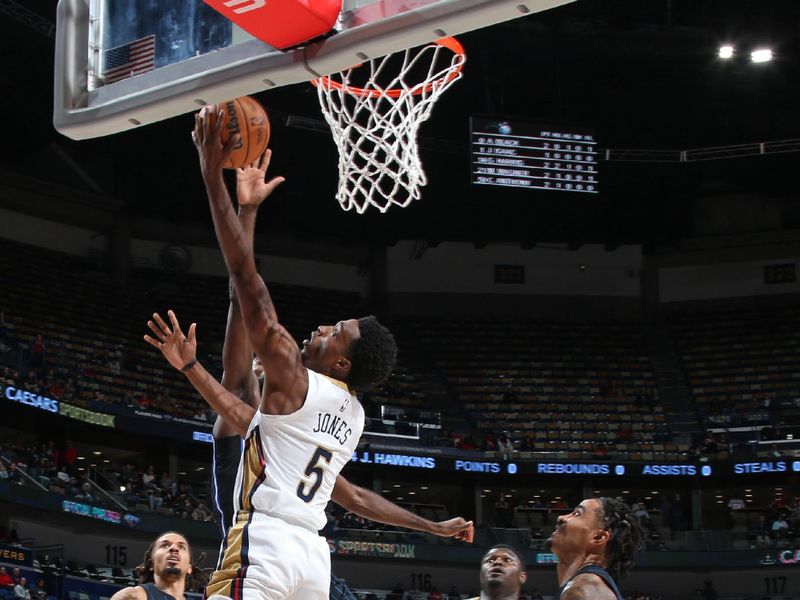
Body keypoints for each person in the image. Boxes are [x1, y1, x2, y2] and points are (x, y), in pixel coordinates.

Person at [147, 108, 468, 599]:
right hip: (313, 556)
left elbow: (244, 279)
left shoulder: (293, 378)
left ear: (341, 362)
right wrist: (430, 526)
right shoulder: (354, 415)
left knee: (237, 372)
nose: (320, 328)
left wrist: (211, 173)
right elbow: (352, 494)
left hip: (266, 539)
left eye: (334, 332)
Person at [548, 498, 644, 600]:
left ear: (598, 537)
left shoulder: (584, 591)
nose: (561, 517)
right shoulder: (583, 586)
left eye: (577, 514)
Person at [109, 531, 207, 600]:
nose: (174, 548)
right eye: (165, 545)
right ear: (152, 564)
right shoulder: (133, 596)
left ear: (189, 568)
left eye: (181, 547)